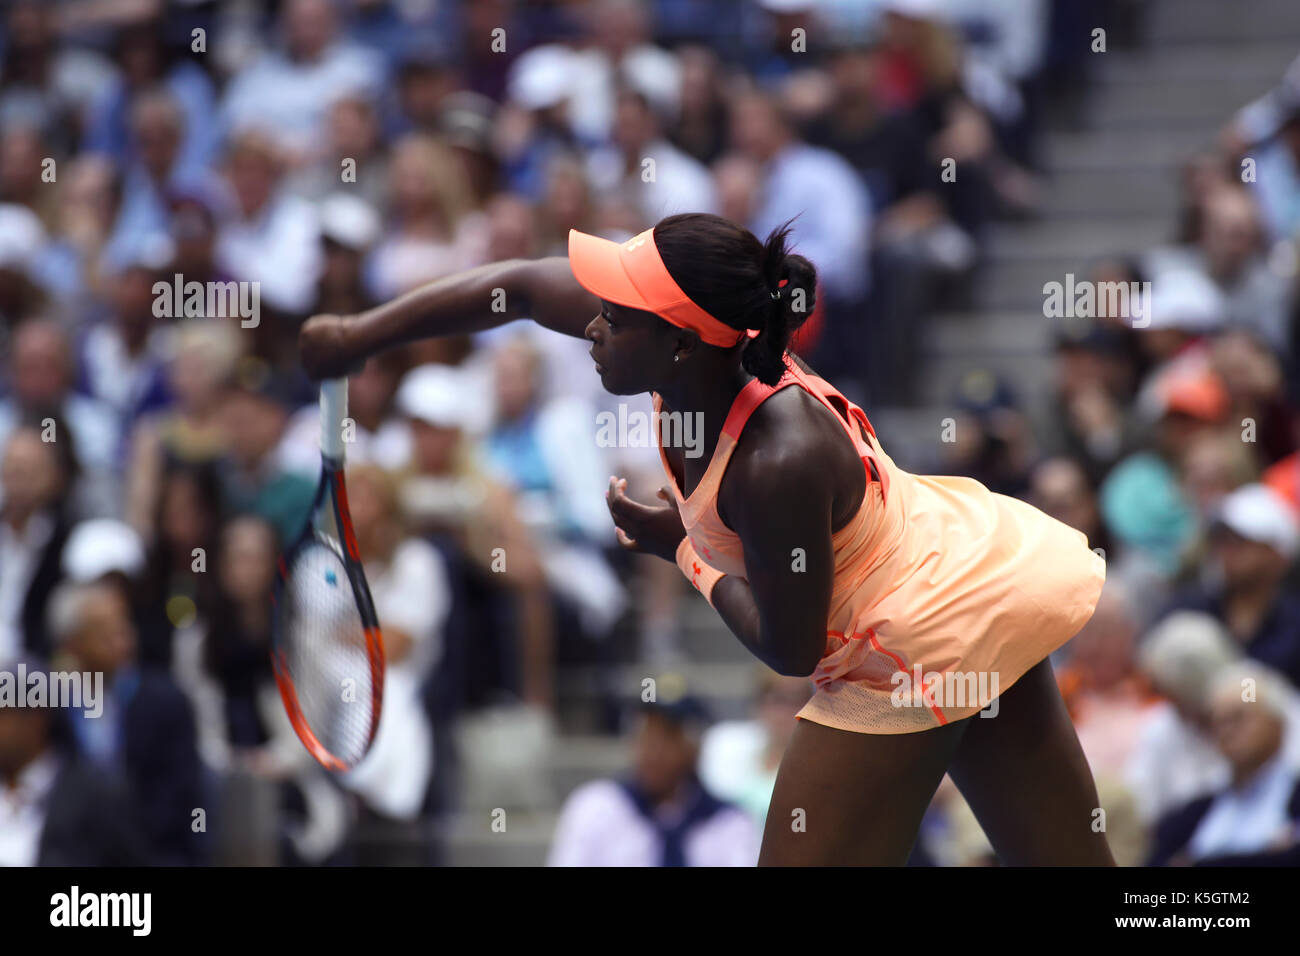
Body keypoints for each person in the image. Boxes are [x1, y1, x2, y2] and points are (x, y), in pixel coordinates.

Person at [299, 211, 1111, 865]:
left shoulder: (776, 459)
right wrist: (359, 336)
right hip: (963, 569)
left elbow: (792, 652)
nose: (591, 327)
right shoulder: (693, 356)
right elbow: (511, 287)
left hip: (910, 641)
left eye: (615, 318)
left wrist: (681, 551)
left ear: (680, 341)